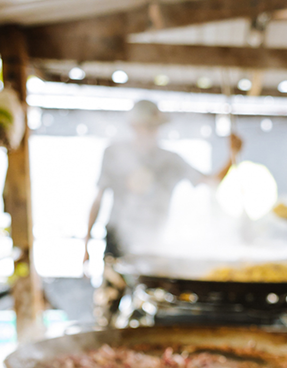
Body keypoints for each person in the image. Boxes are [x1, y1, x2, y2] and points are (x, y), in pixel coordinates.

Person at [84, 100, 243, 325]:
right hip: (115, 245)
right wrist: (86, 245)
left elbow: (210, 181)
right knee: (107, 310)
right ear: (133, 126)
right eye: (144, 126)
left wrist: (232, 156)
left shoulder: (171, 160)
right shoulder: (114, 154)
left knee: (148, 313)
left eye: (153, 127)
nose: (149, 132)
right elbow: (98, 198)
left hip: (152, 248)